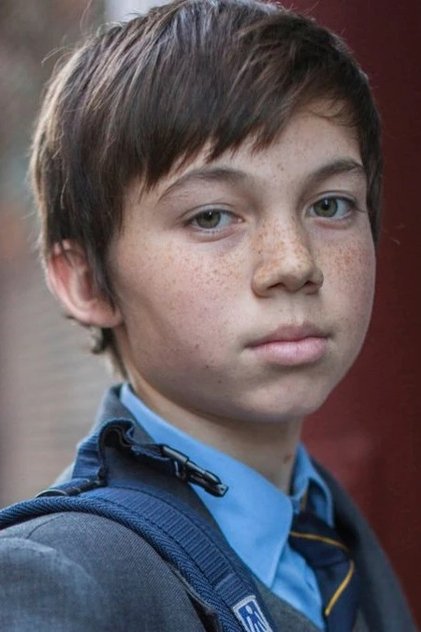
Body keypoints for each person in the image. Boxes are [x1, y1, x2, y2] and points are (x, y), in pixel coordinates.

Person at [0, 0, 416, 630]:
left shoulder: (332, 534)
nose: (295, 263)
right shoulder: (54, 576)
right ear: (86, 281)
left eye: (330, 205)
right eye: (212, 216)